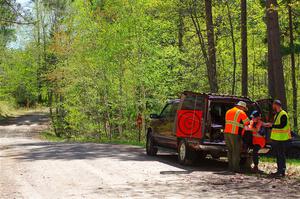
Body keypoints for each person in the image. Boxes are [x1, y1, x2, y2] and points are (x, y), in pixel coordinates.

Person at [265, 100, 291, 178]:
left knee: (281, 155)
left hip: (282, 139)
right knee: (278, 155)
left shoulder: (283, 114)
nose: (272, 107)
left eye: (273, 105)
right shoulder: (277, 115)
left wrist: (272, 126)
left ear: (276, 105)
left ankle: (281, 172)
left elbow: (282, 125)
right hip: (277, 138)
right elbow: (276, 126)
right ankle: (279, 171)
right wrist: (270, 125)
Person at [224, 101, 250, 173]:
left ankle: (230, 167)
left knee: (230, 150)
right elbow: (247, 122)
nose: (244, 110)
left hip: (226, 133)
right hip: (234, 133)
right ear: (241, 107)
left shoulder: (228, 111)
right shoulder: (240, 112)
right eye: (244, 108)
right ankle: (235, 168)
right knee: (236, 151)